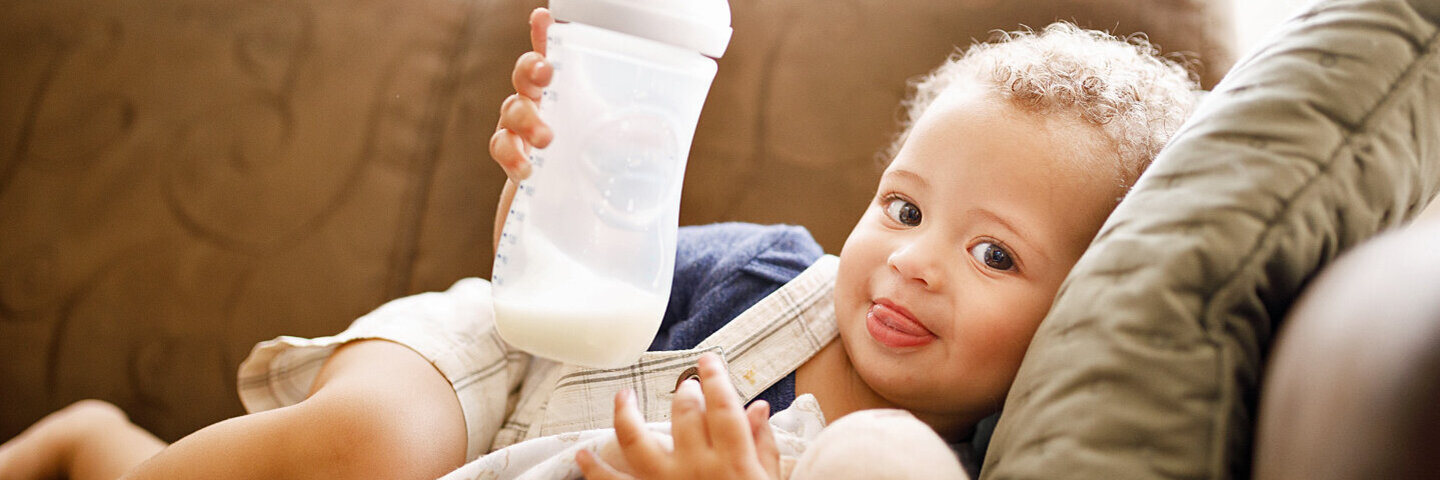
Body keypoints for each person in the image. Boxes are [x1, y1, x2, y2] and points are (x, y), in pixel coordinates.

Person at [0, 7, 1198, 480]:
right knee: (363, 444)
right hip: (498, 373)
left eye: (994, 256)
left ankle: (96, 447)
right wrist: (559, 168)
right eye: (903, 207)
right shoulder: (778, 277)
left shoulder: (918, 464)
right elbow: (547, 295)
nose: (917, 259)